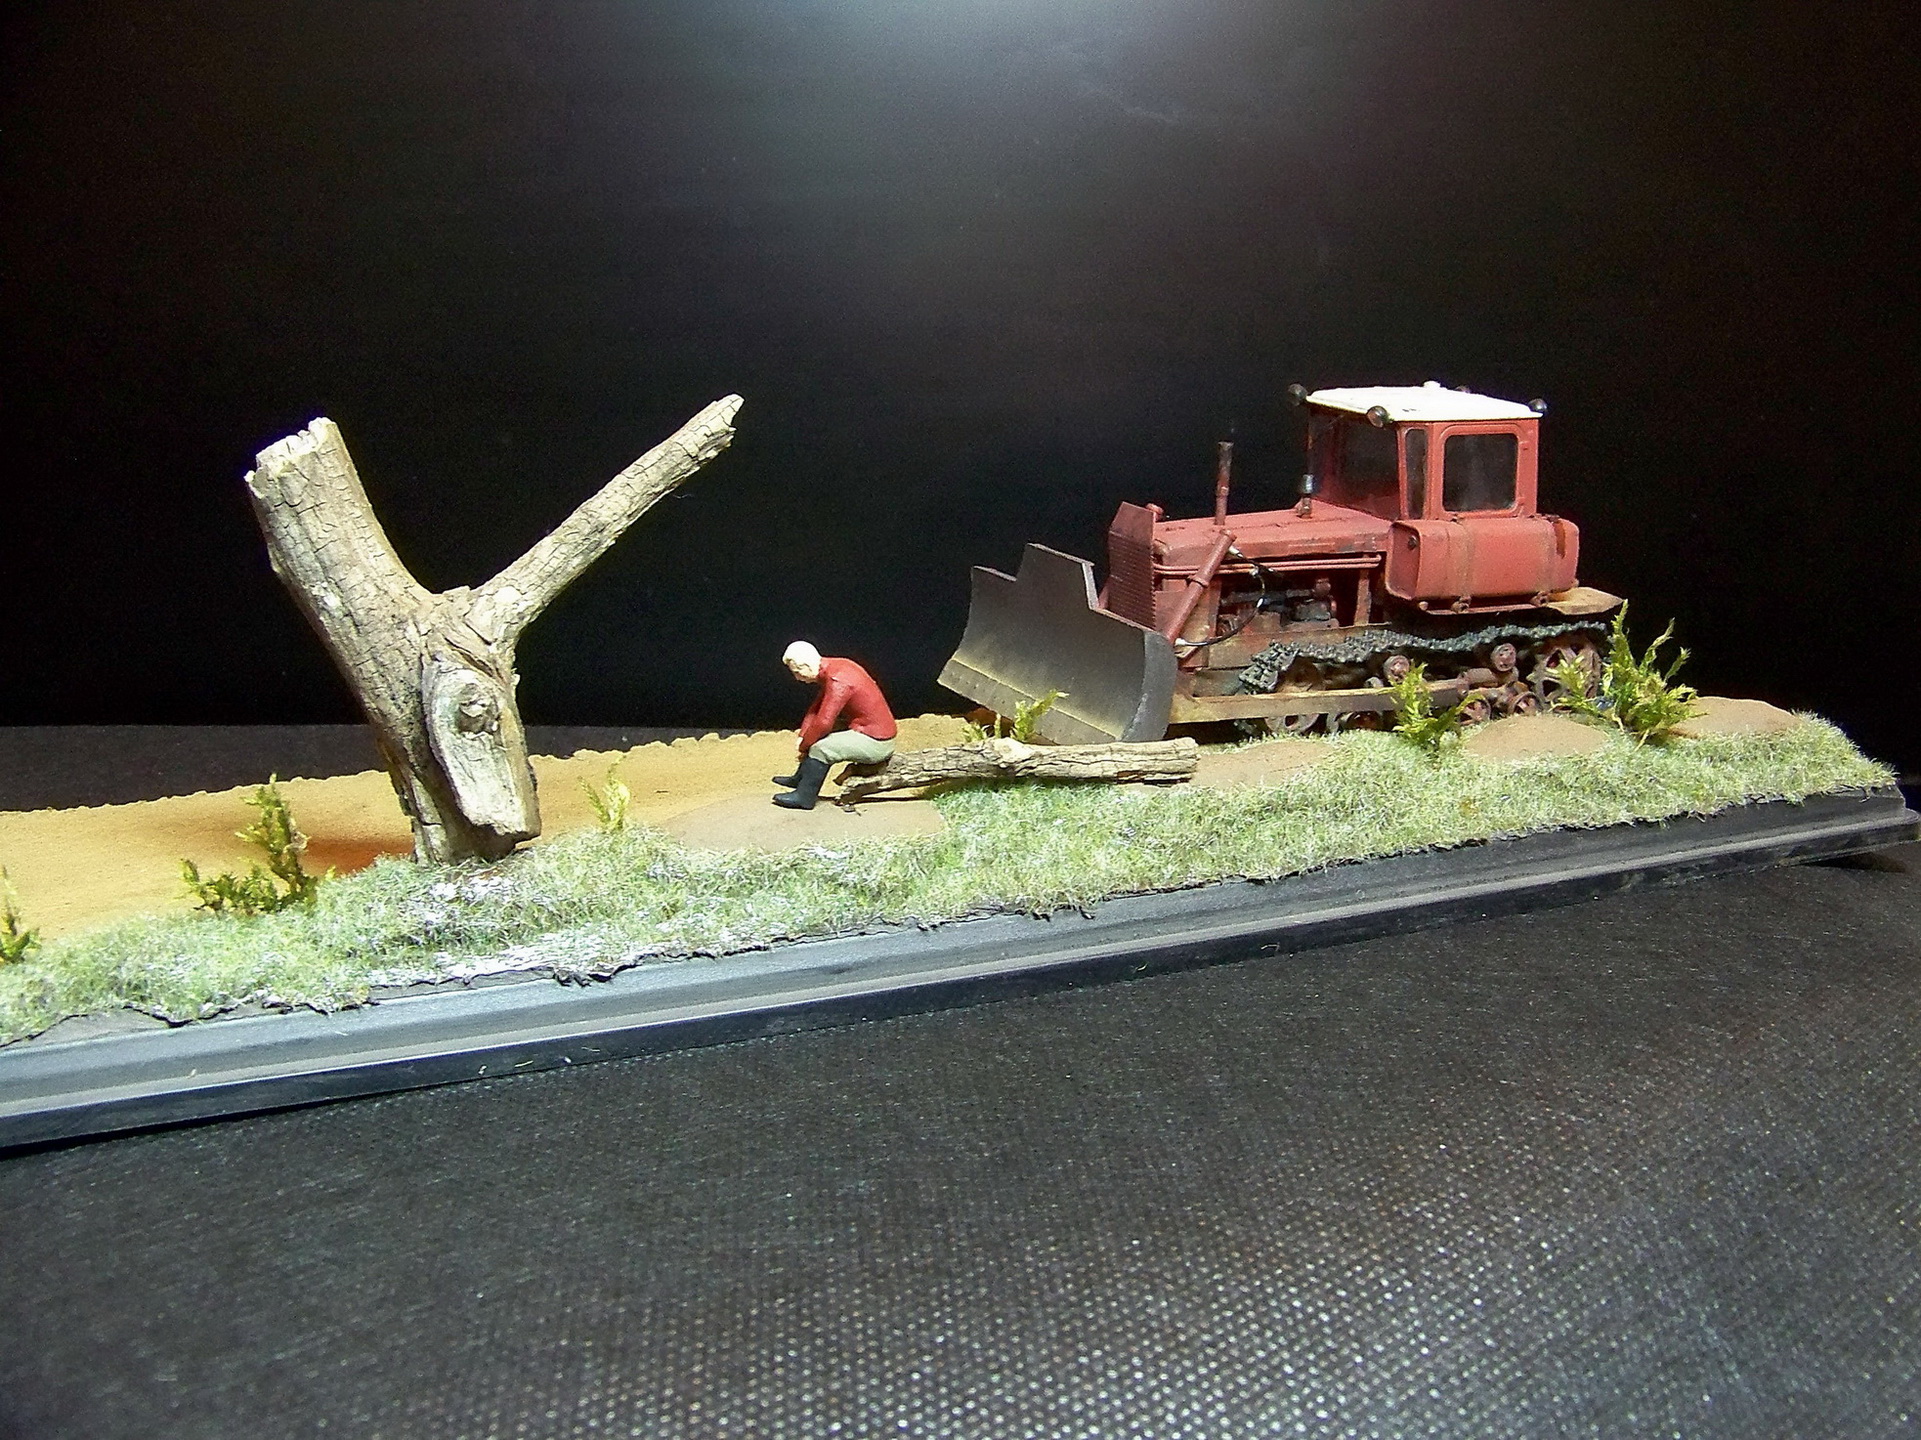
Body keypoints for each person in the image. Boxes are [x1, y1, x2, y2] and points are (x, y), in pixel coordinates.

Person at [773, 641, 898, 810]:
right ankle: (800, 779)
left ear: (806, 666)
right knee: (814, 737)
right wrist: (803, 735)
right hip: (864, 729)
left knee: (822, 748)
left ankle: (804, 797)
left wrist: (804, 746)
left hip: (876, 741)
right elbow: (816, 709)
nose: (797, 678)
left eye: (797, 672)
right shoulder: (834, 667)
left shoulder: (838, 678)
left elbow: (824, 723)